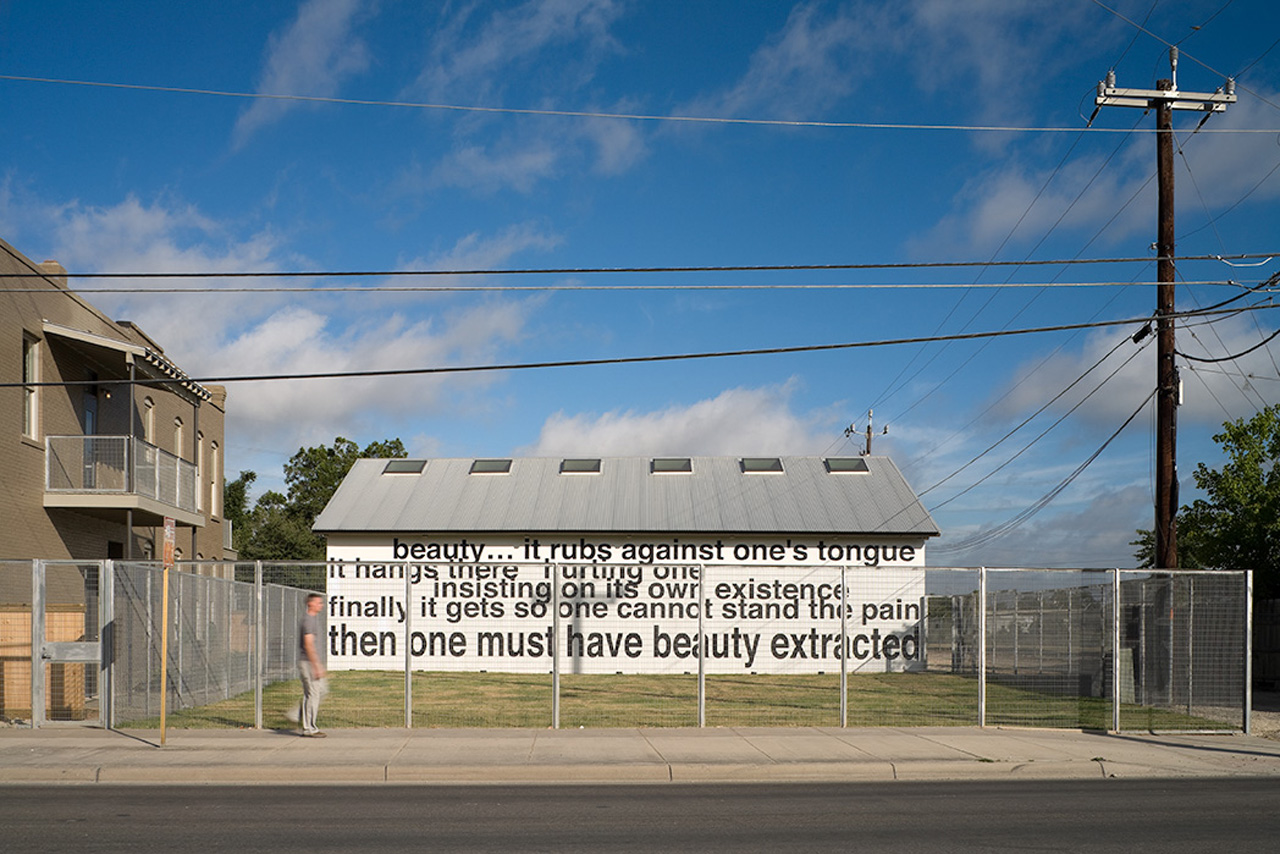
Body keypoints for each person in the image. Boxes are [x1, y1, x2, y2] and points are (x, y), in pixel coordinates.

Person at [296, 592, 328, 737]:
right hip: (308, 662)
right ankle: (309, 728)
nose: (321, 605)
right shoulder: (308, 621)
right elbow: (309, 645)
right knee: (313, 694)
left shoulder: (313, 620)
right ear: (310, 604)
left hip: (311, 662)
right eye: (318, 602)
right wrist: (316, 666)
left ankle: (301, 718)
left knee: (316, 692)